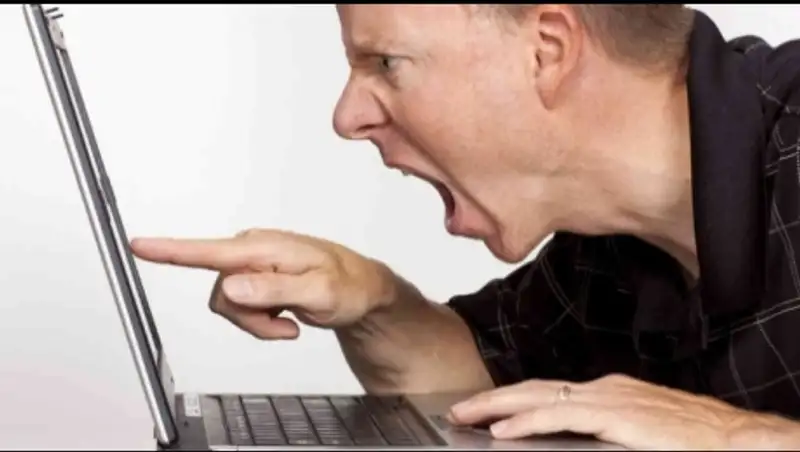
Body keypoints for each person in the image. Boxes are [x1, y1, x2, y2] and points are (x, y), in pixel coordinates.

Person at [130, 4, 800, 449]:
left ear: (545, 51)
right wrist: (372, 303)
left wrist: (739, 437)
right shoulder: (607, 251)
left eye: (385, 62)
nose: (347, 117)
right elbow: (479, 385)